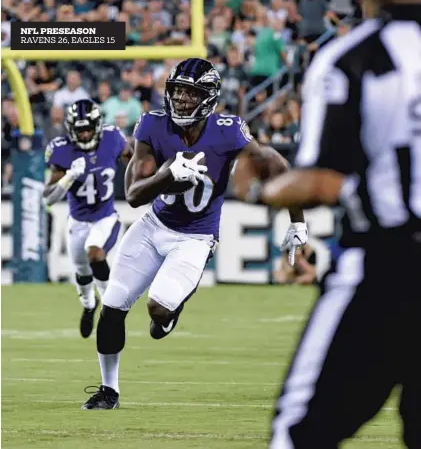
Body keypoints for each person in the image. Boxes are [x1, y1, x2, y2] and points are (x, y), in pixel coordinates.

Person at [234, 0, 421, 447]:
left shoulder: (356, 58)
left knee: (299, 433)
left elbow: (321, 180)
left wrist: (259, 190)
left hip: (390, 268)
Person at [81, 58, 308, 410]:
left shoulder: (228, 130)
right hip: (153, 225)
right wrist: (167, 175)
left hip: (196, 237)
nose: (183, 99)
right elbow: (135, 195)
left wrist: (297, 222)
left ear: (209, 97)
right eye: (178, 91)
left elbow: (274, 165)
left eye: (191, 93)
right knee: (112, 306)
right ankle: (108, 391)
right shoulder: (153, 125)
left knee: (159, 310)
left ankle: (170, 315)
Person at [43, 99, 131, 339]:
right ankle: (89, 305)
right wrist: (69, 176)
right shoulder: (61, 150)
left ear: (98, 126)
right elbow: (49, 198)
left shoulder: (113, 138)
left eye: (88, 128)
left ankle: (109, 306)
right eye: (79, 129)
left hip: (105, 216)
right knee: (81, 270)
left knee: (94, 252)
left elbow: (134, 159)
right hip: (78, 221)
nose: (84, 134)